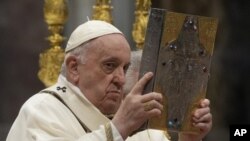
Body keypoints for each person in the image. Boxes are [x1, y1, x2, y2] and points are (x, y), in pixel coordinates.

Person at [6, 20, 212, 141]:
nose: (121, 80)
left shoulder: (140, 123)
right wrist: (118, 128)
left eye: (125, 68)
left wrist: (189, 138)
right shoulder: (42, 111)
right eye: (109, 66)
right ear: (74, 67)